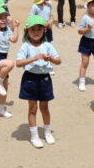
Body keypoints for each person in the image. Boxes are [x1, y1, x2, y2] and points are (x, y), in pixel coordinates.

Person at [15, 15, 62, 148]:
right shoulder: (26, 46)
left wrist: (50, 60)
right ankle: (34, 136)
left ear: (44, 31)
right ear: (27, 31)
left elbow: (58, 60)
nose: (36, 32)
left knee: (45, 107)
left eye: (39, 29)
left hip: (45, 78)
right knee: (33, 108)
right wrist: (34, 58)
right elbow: (18, 63)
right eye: (32, 29)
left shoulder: (48, 45)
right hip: (30, 78)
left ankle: (47, 132)